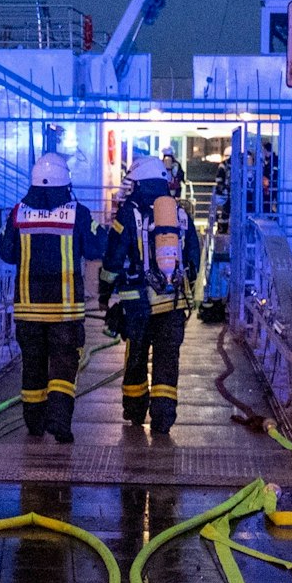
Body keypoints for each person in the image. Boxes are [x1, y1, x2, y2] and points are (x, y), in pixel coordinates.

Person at [0, 152, 104, 443]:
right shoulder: (77, 213)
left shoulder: (18, 212)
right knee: (63, 365)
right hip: (65, 310)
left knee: (33, 365)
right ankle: (59, 423)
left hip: (28, 309)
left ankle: (34, 424)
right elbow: (96, 248)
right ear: (65, 182)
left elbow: (7, 253)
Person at [101, 155, 202, 434]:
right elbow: (193, 255)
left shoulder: (128, 213)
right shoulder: (180, 214)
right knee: (167, 361)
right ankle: (163, 419)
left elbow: (113, 257)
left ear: (139, 182)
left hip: (138, 304)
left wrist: (104, 290)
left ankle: (135, 412)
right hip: (173, 302)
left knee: (136, 357)